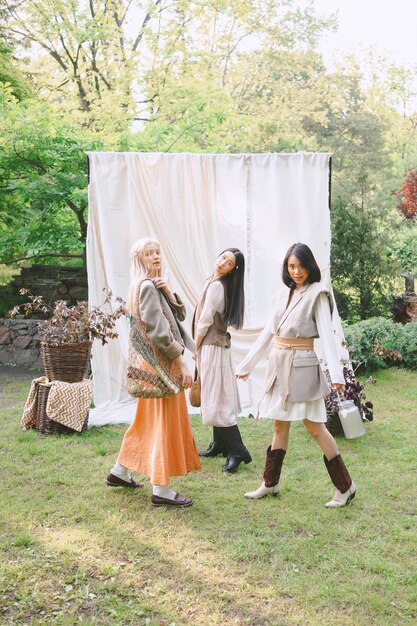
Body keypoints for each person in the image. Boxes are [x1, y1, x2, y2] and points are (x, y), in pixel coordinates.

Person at [236, 242, 356, 507]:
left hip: (302, 368)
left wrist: (337, 375)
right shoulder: (282, 295)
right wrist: (245, 365)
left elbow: (327, 334)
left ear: (310, 266)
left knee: (314, 427)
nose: (296, 271)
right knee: (279, 424)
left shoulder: (318, 293)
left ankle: (345, 487)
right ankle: (270, 482)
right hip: (279, 365)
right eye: (291, 266)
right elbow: (269, 331)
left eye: (301, 266)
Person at [107, 237, 201, 507]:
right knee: (164, 424)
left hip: (153, 367)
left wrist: (169, 293)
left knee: (146, 422)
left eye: (157, 252)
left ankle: (119, 472)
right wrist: (181, 359)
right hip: (162, 366)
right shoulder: (146, 287)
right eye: (149, 254)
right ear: (140, 260)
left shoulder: (151, 286)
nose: (156, 257)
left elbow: (178, 318)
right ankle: (161, 489)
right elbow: (158, 332)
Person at [194, 248, 252, 473]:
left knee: (218, 397)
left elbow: (205, 320)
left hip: (212, 347)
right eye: (222, 257)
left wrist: (195, 345)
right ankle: (219, 444)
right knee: (214, 394)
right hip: (215, 347)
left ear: (233, 270)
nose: (222, 262)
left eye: (228, 262)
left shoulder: (218, 286)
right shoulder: (215, 281)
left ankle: (238, 450)